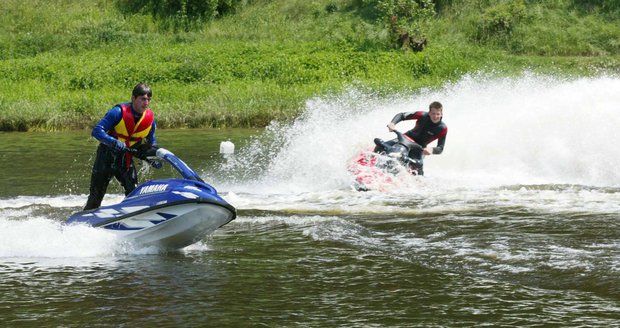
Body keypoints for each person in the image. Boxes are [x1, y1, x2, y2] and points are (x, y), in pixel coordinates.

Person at [83, 83, 161, 210]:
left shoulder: (150, 120)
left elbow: (151, 143)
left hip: (125, 160)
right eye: (142, 99)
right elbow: (97, 131)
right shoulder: (117, 112)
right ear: (133, 98)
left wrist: (153, 157)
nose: (146, 103)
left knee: (134, 193)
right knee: (95, 199)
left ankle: (129, 217)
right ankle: (83, 222)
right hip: (105, 158)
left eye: (148, 100)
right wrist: (113, 142)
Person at [375, 101, 447, 176]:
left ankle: (416, 181)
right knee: (380, 146)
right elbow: (402, 115)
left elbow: (440, 148)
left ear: (441, 114)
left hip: (419, 147)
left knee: (417, 169)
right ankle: (369, 162)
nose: (435, 116)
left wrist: (432, 150)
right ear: (429, 113)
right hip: (405, 139)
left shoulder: (442, 128)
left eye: (438, 114)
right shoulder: (422, 115)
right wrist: (393, 123)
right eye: (433, 113)